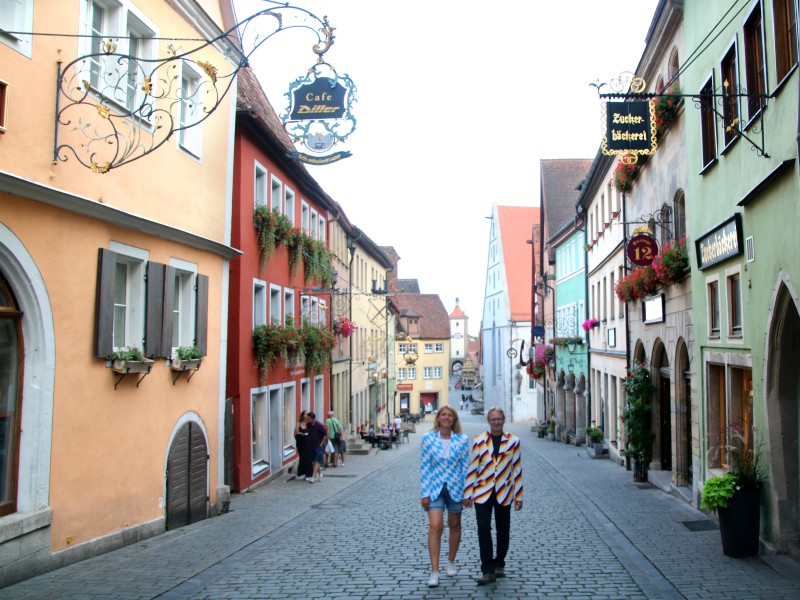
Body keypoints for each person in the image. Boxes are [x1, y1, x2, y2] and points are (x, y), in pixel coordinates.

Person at [463, 406, 523, 585]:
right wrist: (468, 494)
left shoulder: (513, 441)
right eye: (493, 419)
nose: (496, 423)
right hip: (483, 492)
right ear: (488, 421)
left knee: (503, 530)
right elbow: (473, 467)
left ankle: (500, 563)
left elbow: (517, 469)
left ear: (503, 420)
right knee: (483, 529)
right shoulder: (479, 440)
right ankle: (487, 570)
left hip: (504, 492)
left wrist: (518, 496)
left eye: (499, 419)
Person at [420, 406, 470, 588]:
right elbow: (425, 466)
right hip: (434, 488)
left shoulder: (462, 439)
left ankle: (451, 561)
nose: (446, 418)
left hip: (456, 488)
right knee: (435, 526)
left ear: (454, 419)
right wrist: (424, 494)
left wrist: (468, 492)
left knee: (455, 525)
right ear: (438, 418)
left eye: (450, 415)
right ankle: (434, 571)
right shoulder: (428, 438)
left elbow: (466, 466)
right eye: (443, 415)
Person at [305, 411, 328, 483]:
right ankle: (320, 474)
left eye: (309, 419)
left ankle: (313, 477)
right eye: (307, 419)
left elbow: (325, 434)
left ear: (313, 418)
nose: (307, 420)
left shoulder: (319, 425)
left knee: (316, 461)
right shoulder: (308, 425)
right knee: (313, 462)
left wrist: (322, 443)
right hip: (311, 446)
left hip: (318, 446)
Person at [293, 411, 312, 479]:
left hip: (309, 444)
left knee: (308, 460)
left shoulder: (310, 424)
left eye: (308, 414)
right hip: (301, 445)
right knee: (302, 459)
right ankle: (303, 473)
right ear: (303, 415)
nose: (307, 415)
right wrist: (300, 435)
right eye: (306, 414)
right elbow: (295, 434)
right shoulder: (299, 424)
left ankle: (308, 474)